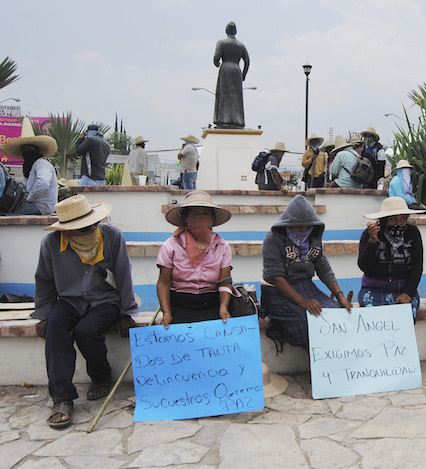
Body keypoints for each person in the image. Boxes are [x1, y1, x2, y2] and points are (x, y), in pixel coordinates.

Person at [33, 195, 137, 428]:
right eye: (78, 228)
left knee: (86, 330)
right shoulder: (50, 244)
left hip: (105, 300)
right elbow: (45, 281)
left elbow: (123, 274)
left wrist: (125, 313)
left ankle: (101, 376)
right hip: (69, 301)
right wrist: (43, 315)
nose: (86, 230)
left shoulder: (111, 235)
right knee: (55, 328)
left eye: (89, 225)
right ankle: (62, 398)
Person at [261, 195, 352, 349]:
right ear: (288, 224)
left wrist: (340, 296)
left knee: (335, 312)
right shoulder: (273, 239)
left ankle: (332, 363)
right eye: (298, 226)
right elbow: (276, 277)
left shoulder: (313, 237)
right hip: (277, 290)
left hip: (305, 285)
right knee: (306, 320)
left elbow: (322, 266)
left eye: (306, 226)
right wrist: (303, 302)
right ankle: (317, 362)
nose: (303, 230)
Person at [157, 191, 250, 327]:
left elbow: (225, 282)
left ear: (212, 219)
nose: (200, 218)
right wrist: (166, 313)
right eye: (195, 214)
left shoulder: (221, 246)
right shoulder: (171, 245)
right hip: (179, 305)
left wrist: (223, 307)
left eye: (205, 214)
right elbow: (163, 283)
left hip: (212, 305)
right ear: (186, 218)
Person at [358, 197, 424, 319]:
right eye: (393, 219)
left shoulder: (413, 233)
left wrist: (408, 292)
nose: (398, 223)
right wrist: (372, 242)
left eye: (403, 219)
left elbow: (417, 265)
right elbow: (364, 266)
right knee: (373, 320)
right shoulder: (369, 234)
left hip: (403, 288)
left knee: (404, 320)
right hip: (373, 288)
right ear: (384, 220)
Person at [0, 116, 58, 215]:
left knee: (7, 217)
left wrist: (29, 198)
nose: (26, 153)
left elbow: (43, 182)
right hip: (34, 204)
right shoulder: (31, 167)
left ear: (36, 151)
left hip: (41, 206)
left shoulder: (42, 164)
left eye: (28, 150)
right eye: (23, 151)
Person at [213, 21, 250, 129]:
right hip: (236, 71)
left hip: (225, 69)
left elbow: (216, 58)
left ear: (226, 31)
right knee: (236, 97)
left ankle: (222, 120)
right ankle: (237, 121)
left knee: (224, 95)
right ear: (236, 32)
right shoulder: (241, 45)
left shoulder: (221, 42)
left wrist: (217, 63)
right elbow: (247, 61)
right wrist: (243, 74)